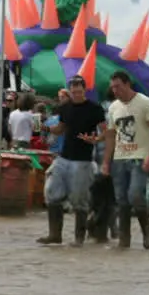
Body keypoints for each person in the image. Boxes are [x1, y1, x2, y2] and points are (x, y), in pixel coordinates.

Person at [38, 76, 106, 247]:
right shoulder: (65, 108)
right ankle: (55, 235)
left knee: (79, 199)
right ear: (70, 91)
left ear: (84, 90)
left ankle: (79, 238)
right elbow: (60, 129)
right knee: (52, 192)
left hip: (82, 160)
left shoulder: (95, 109)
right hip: (63, 156)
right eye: (73, 90)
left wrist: (95, 139)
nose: (76, 93)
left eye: (79, 90)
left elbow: (106, 131)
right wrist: (44, 128)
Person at [101, 71, 149, 250]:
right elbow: (111, 136)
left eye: (118, 86)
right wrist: (106, 161)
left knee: (135, 195)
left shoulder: (144, 103)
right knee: (121, 200)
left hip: (140, 157)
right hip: (119, 159)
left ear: (128, 84)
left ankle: (147, 232)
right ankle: (124, 240)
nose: (115, 91)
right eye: (112, 88)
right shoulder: (113, 108)